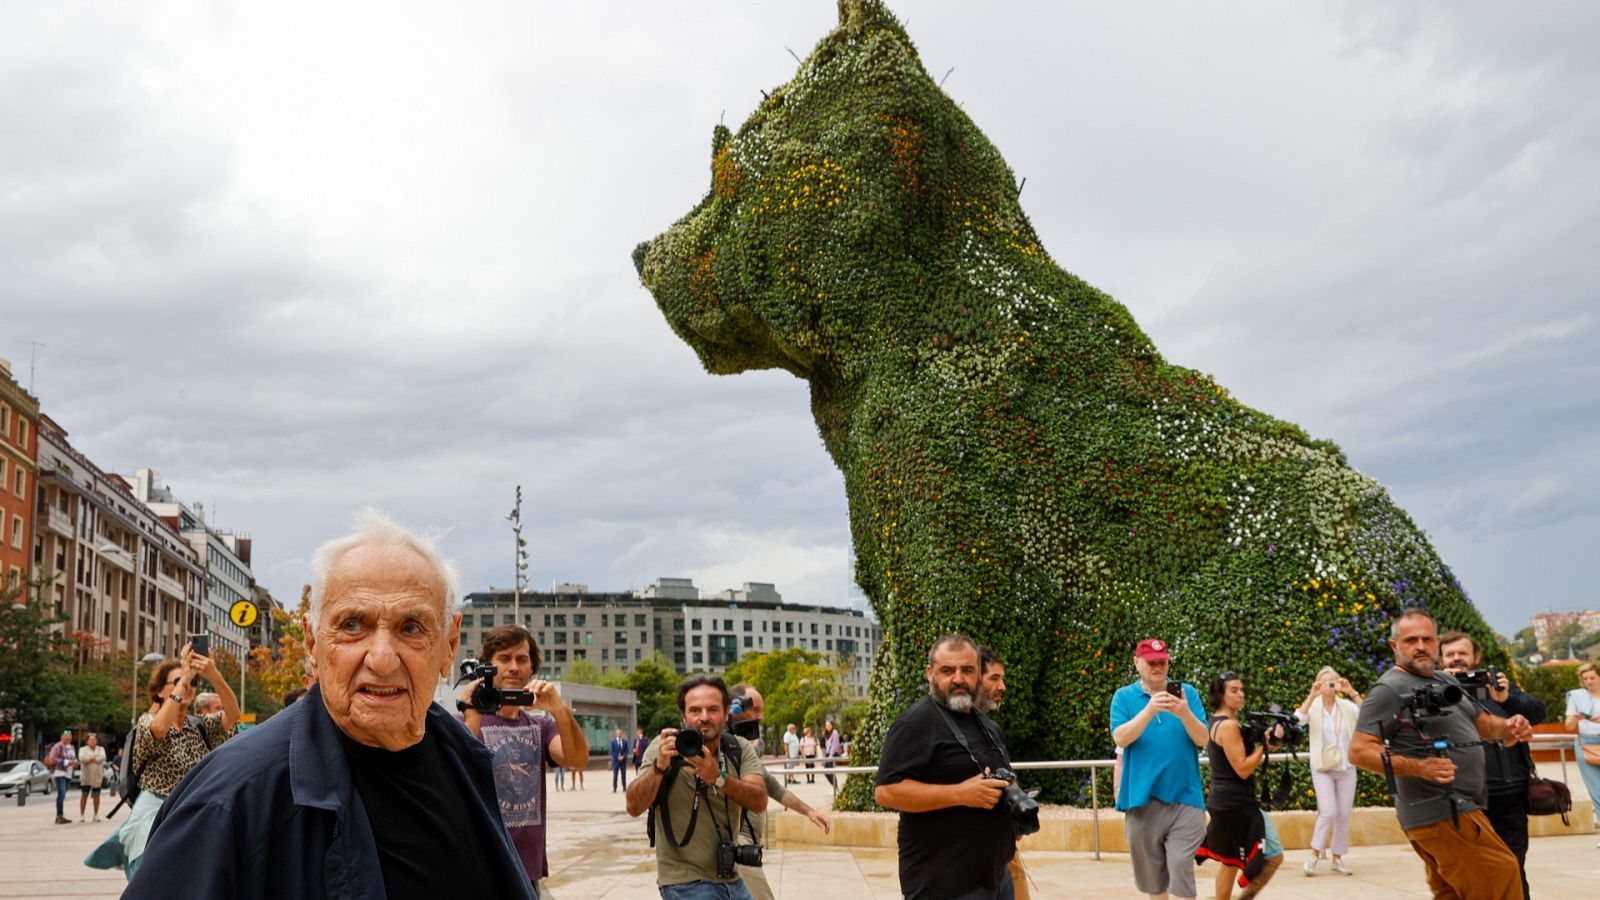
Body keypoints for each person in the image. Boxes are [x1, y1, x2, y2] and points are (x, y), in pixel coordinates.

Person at [123, 510, 536, 899]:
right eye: (353, 625)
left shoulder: (466, 759)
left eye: (411, 627)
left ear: (448, 644)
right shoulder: (228, 802)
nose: (381, 659)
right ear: (312, 642)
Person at [1348, 609, 1531, 900]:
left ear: (1437, 643)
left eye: (1427, 639)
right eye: (1411, 640)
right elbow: (1359, 751)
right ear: (1395, 646)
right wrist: (1420, 768)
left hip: (1456, 807)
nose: (1420, 646)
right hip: (1443, 809)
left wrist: (1510, 726)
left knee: (1452, 893)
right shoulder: (1389, 688)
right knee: (1501, 875)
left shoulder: (1446, 680)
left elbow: (1483, 725)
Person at [876, 634, 1018, 900]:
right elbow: (886, 791)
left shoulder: (988, 726)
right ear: (930, 674)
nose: (958, 679)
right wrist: (960, 794)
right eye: (947, 670)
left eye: (967, 670)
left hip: (996, 878)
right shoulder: (915, 723)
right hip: (943, 885)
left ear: (978, 673)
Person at [456, 622, 589, 897]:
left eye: (522, 659)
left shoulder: (541, 726)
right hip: (481, 869)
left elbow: (576, 760)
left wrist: (560, 710)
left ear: (532, 668)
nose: (514, 667)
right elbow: (456, 778)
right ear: (488, 667)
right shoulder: (465, 721)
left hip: (527, 871)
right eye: (504, 659)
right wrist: (471, 718)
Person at [87, 642, 238, 876]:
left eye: (192, 683)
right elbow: (159, 727)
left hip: (192, 809)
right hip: (154, 811)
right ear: (159, 691)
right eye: (177, 682)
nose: (187, 686)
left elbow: (234, 715)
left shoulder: (198, 726)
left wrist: (214, 675)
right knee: (151, 876)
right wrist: (186, 676)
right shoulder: (148, 721)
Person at [626, 674, 767, 899]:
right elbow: (633, 806)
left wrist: (718, 778)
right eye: (694, 710)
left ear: (726, 712)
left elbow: (759, 799)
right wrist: (659, 767)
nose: (704, 717)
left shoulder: (737, 748)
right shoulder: (664, 748)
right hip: (683, 881)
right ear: (683, 716)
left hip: (731, 876)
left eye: (712, 709)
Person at [1440, 631, 1545, 898]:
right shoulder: (1431, 691)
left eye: (1462, 654)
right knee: (1467, 873)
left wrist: (1507, 699)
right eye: (1449, 655)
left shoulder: (1495, 687)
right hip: (1460, 799)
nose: (1456, 660)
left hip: (1507, 794)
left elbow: (1538, 712)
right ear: (1440, 660)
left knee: (1512, 866)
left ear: (1476, 657)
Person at [1111, 638, 1209, 900]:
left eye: (1162, 661)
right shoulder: (1124, 697)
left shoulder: (1187, 694)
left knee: (1180, 865)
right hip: (1142, 802)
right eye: (1151, 662)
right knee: (1155, 885)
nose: (1158, 666)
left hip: (1185, 799)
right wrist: (1149, 709)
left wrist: (1185, 713)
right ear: (1137, 663)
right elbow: (1120, 738)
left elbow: (1203, 739)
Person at [727, 681, 832, 900]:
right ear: (733, 709)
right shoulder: (719, 749)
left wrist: (810, 813)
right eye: (754, 710)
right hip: (736, 848)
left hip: (747, 851)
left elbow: (774, 788)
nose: (760, 717)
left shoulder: (742, 750)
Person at [1195, 672, 1284, 900]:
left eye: (1241, 689)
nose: (1240, 694)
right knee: (1274, 856)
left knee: (1229, 861)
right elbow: (1243, 768)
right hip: (1238, 805)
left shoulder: (1215, 722)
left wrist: (1265, 743)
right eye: (1234, 690)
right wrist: (1263, 747)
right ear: (1221, 695)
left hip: (1223, 803)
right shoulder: (1229, 726)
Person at [1292, 665, 1362, 876]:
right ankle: (1314, 853)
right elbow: (1297, 720)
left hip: (1346, 767)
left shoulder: (1347, 706)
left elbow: (1368, 714)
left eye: (1332, 681)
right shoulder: (1312, 708)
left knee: (1343, 814)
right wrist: (1312, 695)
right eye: (1324, 681)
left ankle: (1337, 857)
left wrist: (1352, 691)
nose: (1328, 685)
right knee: (1328, 811)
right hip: (1322, 768)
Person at [978, 645, 1030, 900]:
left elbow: (1005, 775)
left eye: (1003, 678)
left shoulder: (991, 728)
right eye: (994, 678)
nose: (1002, 687)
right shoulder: (941, 727)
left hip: (1003, 846)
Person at [1564, 661, 1600, 849]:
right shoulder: (1578, 697)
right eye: (1585, 679)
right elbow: (1569, 726)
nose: (1589, 682)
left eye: (1592, 678)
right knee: (1597, 790)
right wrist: (1575, 716)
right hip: (1586, 743)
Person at [45, 730, 77, 824]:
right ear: (61, 737)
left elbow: (72, 758)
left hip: (69, 773)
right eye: (66, 736)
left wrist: (75, 762)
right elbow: (52, 758)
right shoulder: (58, 746)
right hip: (60, 772)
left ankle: (60, 815)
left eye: (69, 736)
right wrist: (65, 762)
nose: (68, 738)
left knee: (63, 794)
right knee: (61, 793)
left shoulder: (71, 747)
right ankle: (59, 815)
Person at [78, 732, 108, 822]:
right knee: (84, 795)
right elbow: (82, 758)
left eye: (94, 740)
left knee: (96, 795)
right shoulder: (83, 749)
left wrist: (90, 758)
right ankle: (82, 814)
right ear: (87, 741)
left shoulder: (100, 749)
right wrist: (93, 758)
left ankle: (96, 814)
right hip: (86, 776)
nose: (92, 741)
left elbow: (102, 757)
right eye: (90, 740)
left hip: (97, 776)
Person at [821, 719, 841, 788]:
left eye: (829, 725)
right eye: (826, 725)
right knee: (827, 772)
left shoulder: (834, 732)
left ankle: (835, 788)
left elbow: (834, 745)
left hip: (832, 754)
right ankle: (835, 787)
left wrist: (831, 755)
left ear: (832, 725)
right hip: (828, 754)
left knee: (830, 772)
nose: (828, 726)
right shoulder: (828, 733)